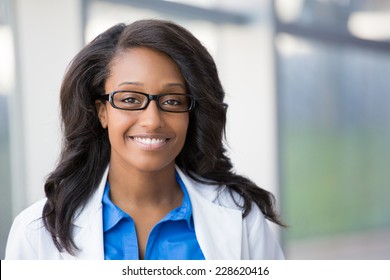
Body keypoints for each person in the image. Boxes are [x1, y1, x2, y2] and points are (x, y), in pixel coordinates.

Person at [5, 19, 284, 260]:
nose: (152, 120)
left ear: (192, 113)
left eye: (172, 101)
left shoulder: (241, 219)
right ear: (102, 112)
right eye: (129, 99)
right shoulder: (35, 231)